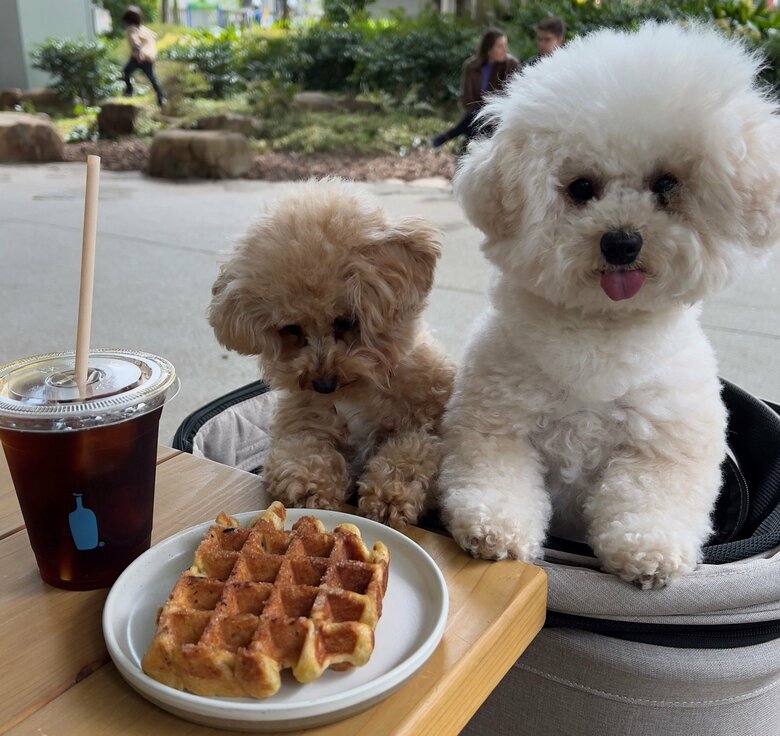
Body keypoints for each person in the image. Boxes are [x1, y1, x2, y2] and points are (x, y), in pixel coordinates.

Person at [431, 27, 519, 149]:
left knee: (473, 127)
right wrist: (482, 109)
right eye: (500, 46)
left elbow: (512, 94)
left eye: (505, 45)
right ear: (488, 49)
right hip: (476, 112)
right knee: (475, 120)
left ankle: (449, 135)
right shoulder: (471, 66)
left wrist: (493, 101)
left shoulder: (511, 64)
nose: (505, 50)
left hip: (499, 113)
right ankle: (454, 137)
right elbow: (467, 98)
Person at [121, 5, 165, 107]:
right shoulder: (143, 29)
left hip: (139, 56)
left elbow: (134, 40)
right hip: (149, 57)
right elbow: (154, 36)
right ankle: (161, 98)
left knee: (126, 72)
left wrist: (139, 52)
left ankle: (129, 91)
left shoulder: (131, 29)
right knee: (152, 77)